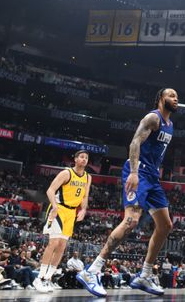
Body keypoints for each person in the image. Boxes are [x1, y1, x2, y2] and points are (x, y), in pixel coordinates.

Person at [77, 88, 178, 297]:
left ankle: (145, 274)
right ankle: (92, 270)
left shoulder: (170, 125)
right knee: (131, 221)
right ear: (161, 98)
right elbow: (134, 141)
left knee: (165, 225)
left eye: (177, 97)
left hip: (152, 176)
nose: (176, 99)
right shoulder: (153, 117)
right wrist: (133, 172)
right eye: (171, 96)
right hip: (138, 171)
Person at [34, 150, 91, 292]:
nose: (84, 160)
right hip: (59, 209)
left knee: (61, 247)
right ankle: (39, 278)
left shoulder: (88, 177)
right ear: (76, 159)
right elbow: (50, 190)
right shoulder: (66, 173)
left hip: (71, 213)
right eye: (81, 157)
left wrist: (83, 210)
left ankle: (48, 279)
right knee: (53, 243)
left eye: (86, 158)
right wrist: (53, 206)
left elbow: (84, 196)